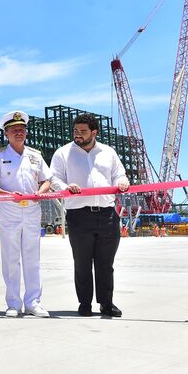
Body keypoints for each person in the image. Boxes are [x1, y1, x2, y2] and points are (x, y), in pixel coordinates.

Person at [50, 113, 129, 318]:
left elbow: (119, 174)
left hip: (107, 214)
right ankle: (84, 303)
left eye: (83, 131)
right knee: (82, 262)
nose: (78, 134)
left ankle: (106, 303)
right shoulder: (63, 153)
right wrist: (66, 187)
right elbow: (54, 179)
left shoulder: (108, 152)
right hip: (79, 215)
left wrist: (122, 182)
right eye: (75, 131)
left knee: (105, 263)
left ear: (94, 132)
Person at [0, 110, 52, 318]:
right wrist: (7, 195)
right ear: (6, 133)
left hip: (32, 209)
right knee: (11, 258)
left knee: (33, 258)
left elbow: (47, 180)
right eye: (14, 130)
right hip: (10, 210)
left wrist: (40, 192)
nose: (19, 133)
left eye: (22, 129)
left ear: (26, 132)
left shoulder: (35, 156)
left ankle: (33, 302)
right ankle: (13, 303)